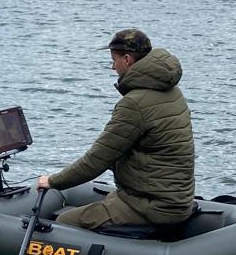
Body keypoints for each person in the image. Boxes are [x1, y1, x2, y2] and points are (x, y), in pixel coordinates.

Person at [36, 28, 194, 231]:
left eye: (114, 60)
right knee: (106, 202)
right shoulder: (172, 91)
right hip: (175, 200)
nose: (112, 67)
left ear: (127, 60)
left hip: (152, 207)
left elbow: (96, 160)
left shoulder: (134, 104)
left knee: (63, 223)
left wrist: (52, 181)